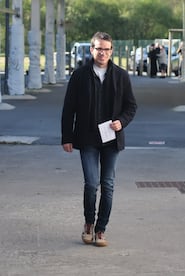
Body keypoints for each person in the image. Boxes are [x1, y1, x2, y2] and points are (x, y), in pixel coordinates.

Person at [61, 31, 137, 247]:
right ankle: (88, 224)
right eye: (98, 48)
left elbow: (131, 106)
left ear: (111, 51)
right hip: (87, 138)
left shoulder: (121, 75)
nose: (102, 52)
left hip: (112, 139)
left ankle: (101, 229)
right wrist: (67, 137)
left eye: (106, 49)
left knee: (108, 184)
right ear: (92, 50)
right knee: (91, 183)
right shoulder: (79, 75)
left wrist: (121, 121)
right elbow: (69, 108)